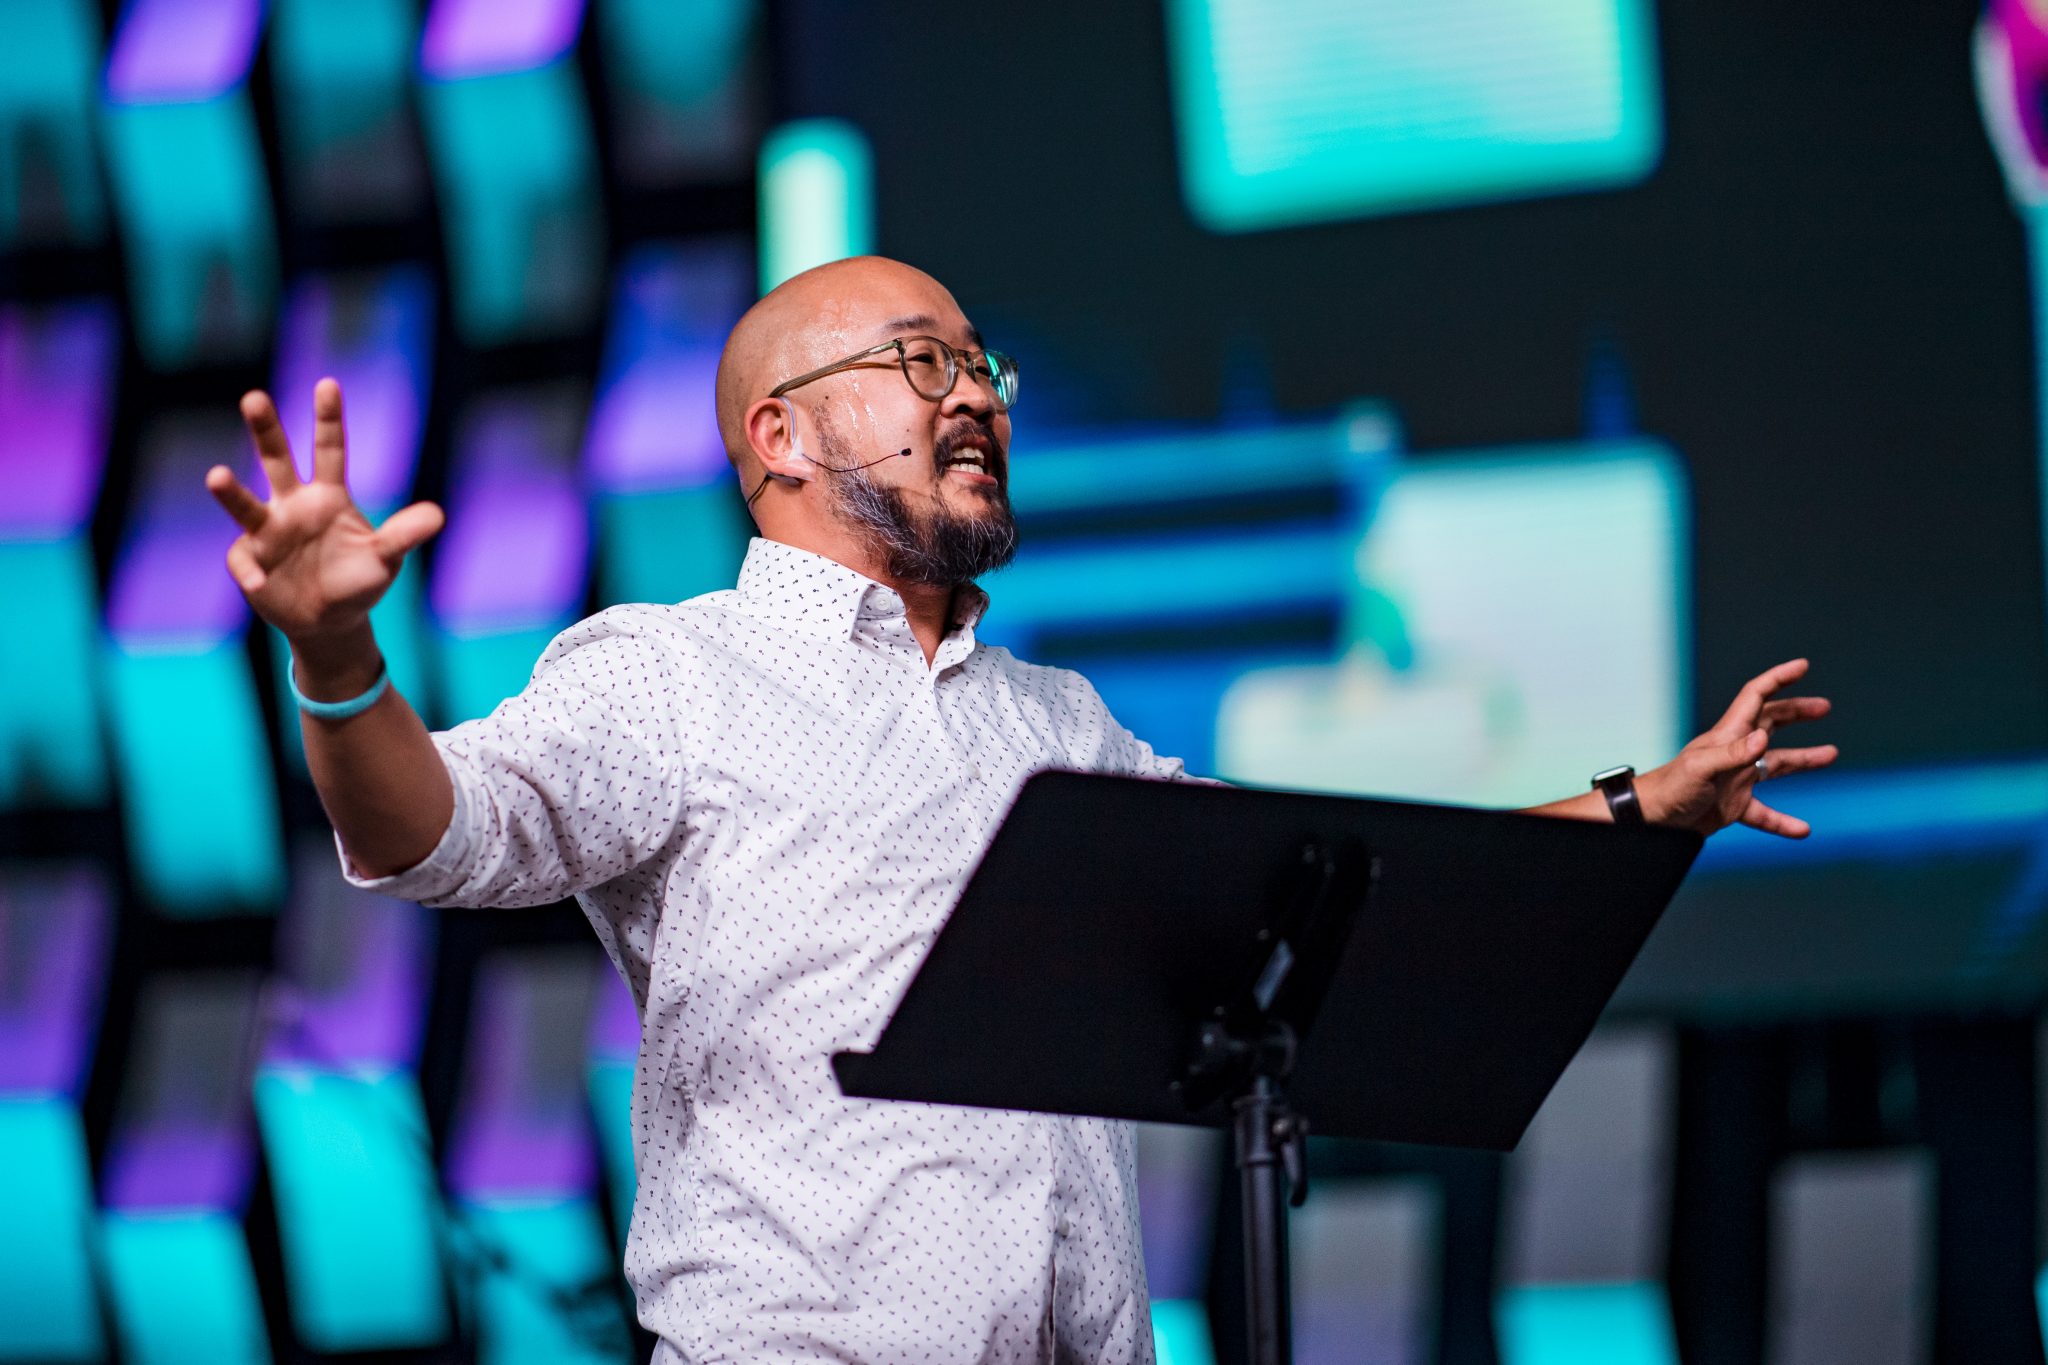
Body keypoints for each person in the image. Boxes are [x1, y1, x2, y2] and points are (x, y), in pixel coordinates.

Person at [205, 255, 1836, 1363]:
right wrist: (339, 657)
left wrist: (1645, 803)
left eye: (979, 365)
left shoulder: (1055, 722)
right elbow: (439, 830)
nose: (974, 394)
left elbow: (1337, 892)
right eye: (921, 363)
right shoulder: (671, 671)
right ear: (780, 436)